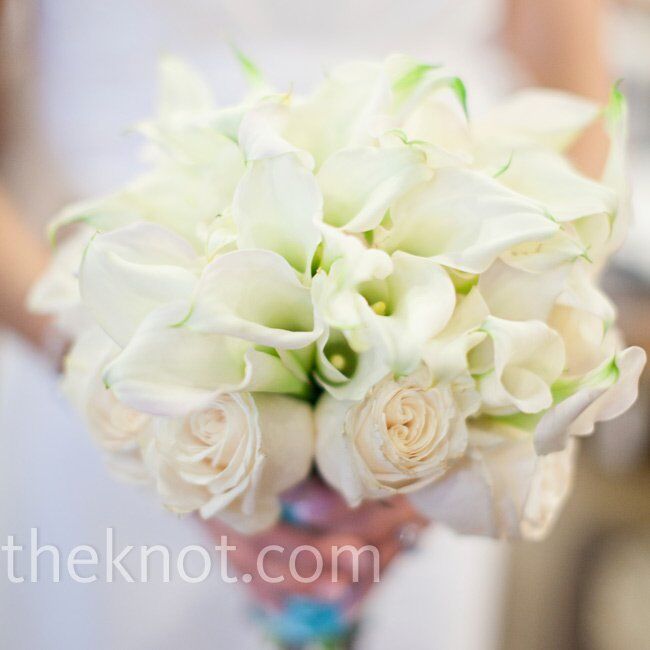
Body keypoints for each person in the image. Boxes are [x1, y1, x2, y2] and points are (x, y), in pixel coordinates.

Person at [0, 1, 611, 648]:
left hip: (442, 355)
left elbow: (577, 105)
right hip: (107, 351)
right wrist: (102, 370)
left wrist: (435, 442)